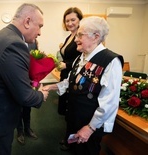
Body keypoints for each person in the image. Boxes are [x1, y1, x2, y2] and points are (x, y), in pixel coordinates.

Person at [0, 3, 48, 155]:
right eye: (39, 26)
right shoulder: (14, 44)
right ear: (27, 21)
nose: (40, 32)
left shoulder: (4, 35)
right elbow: (25, 96)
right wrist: (41, 95)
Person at [43, 16, 124, 155]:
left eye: (80, 35)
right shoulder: (81, 57)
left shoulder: (111, 61)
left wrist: (90, 128)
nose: (75, 39)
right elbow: (70, 82)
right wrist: (50, 87)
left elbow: (109, 102)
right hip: (76, 117)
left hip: (90, 123)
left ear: (96, 37)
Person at [57, 7, 83, 151]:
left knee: (72, 109)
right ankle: (69, 136)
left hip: (74, 76)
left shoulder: (80, 36)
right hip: (66, 74)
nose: (70, 23)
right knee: (67, 109)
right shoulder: (70, 36)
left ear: (80, 20)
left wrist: (65, 64)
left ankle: (72, 140)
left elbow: (81, 59)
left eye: (73, 19)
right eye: (67, 20)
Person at [16, 39, 39, 145]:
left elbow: (36, 64)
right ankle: (20, 131)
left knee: (27, 108)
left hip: (29, 82)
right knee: (17, 109)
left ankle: (28, 129)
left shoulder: (33, 42)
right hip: (16, 81)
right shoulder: (14, 41)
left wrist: (35, 82)